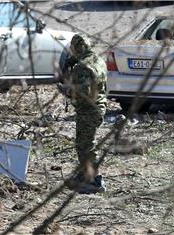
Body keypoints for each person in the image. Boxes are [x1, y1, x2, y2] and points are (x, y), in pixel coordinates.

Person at [58, 33, 107, 194]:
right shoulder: (98, 60)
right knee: (86, 143)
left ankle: (94, 180)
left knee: (85, 146)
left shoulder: (81, 67)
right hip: (100, 106)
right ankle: (84, 174)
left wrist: (66, 90)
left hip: (88, 109)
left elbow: (82, 93)